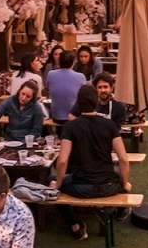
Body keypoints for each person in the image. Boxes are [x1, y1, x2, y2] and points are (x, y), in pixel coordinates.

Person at [50, 84, 131, 240]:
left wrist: (59, 183)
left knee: (50, 180)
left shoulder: (70, 127)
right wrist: (125, 183)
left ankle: (75, 225)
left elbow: (62, 160)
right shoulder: (110, 125)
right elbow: (123, 159)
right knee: (118, 174)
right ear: (96, 101)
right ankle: (119, 211)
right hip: (109, 186)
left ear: (78, 104)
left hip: (81, 186)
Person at [46, 50, 85, 124]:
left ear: (59, 61)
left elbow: (48, 89)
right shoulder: (81, 76)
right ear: (73, 62)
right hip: (74, 117)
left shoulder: (50, 74)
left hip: (55, 116)